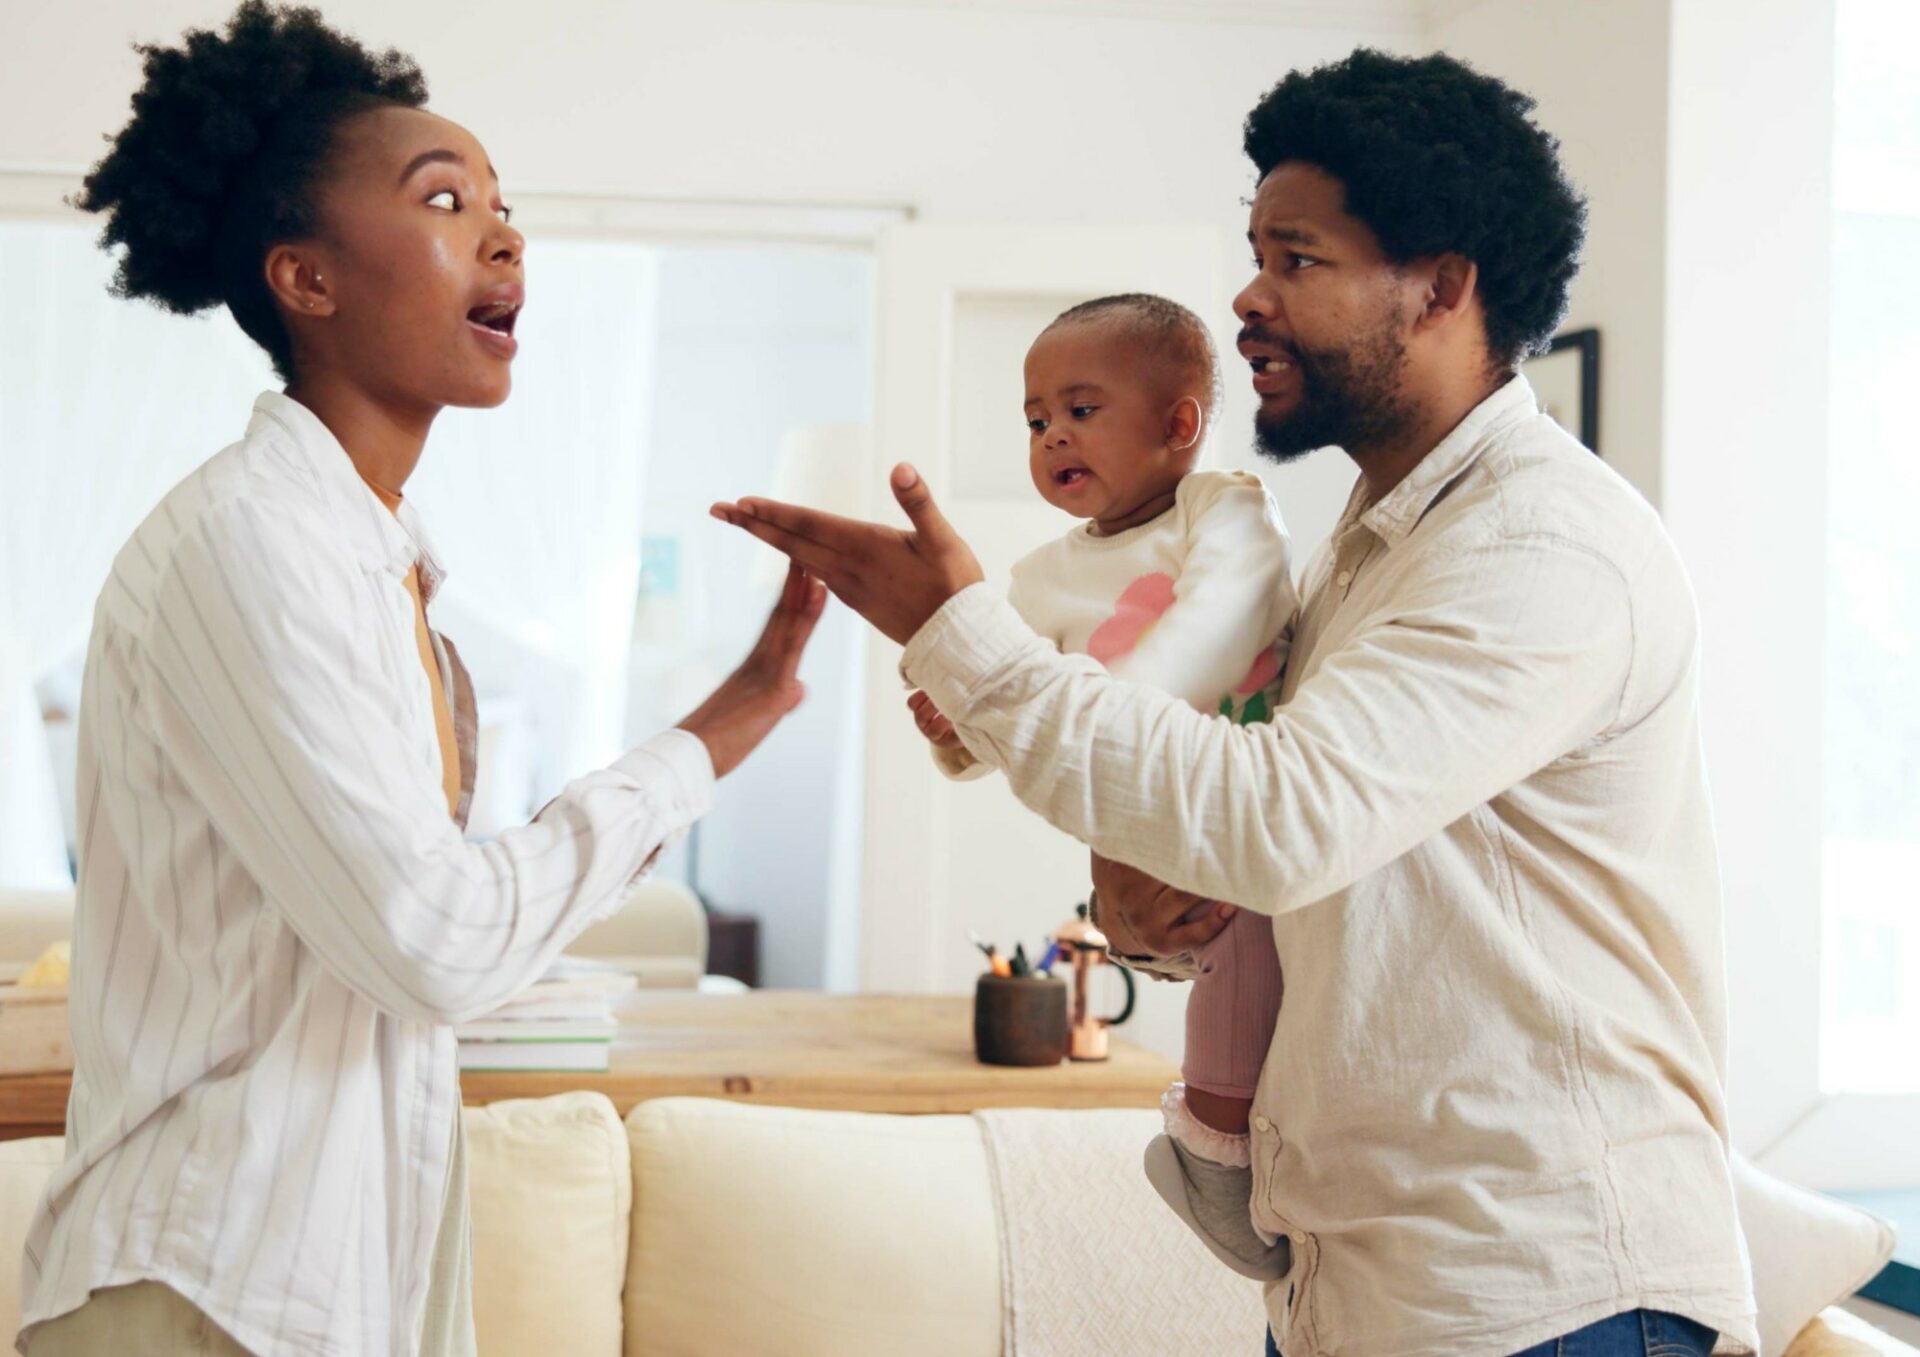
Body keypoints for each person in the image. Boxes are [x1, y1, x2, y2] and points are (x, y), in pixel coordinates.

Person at [716, 48, 1758, 1357]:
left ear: (1440, 287)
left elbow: (1280, 817)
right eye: (1254, 249)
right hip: (1360, 1289)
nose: (1248, 296)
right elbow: (1305, 872)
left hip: (1543, 1296)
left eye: (1298, 259)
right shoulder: (1367, 551)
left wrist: (955, 631)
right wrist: (1150, 918)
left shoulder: (1539, 551)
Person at [17, 5, 821, 1355]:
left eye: (504, 207)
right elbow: (434, 938)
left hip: (318, 1287)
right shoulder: (251, 543)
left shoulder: (375, 556)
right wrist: (705, 740)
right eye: (445, 200)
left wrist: (738, 709)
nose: (506, 237)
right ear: (306, 280)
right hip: (205, 1293)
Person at [909, 292, 1292, 1154]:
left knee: (1262, 987)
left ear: (1179, 422)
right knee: (1225, 1005)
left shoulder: (1224, 509)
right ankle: (1220, 1158)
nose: (1052, 436)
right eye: (1037, 419)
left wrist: (1109, 721)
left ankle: (1232, 1148)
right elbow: (1006, 712)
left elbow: (1223, 620)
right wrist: (951, 726)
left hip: (1241, 808)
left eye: (1082, 411)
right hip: (1153, 845)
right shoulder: (1042, 576)